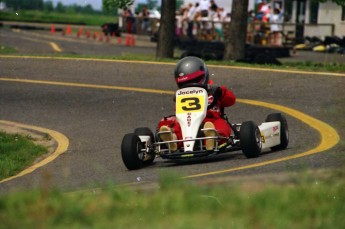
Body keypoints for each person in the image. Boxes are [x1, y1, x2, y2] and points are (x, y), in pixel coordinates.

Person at [157, 56, 236, 151]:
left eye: (194, 80)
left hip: (211, 121)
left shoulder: (213, 90)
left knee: (221, 125)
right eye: (188, 82)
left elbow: (231, 100)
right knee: (178, 128)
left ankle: (212, 138)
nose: (191, 85)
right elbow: (179, 113)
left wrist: (221, 92)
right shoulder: (182, 95)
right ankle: (172, 139)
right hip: (188, 122)